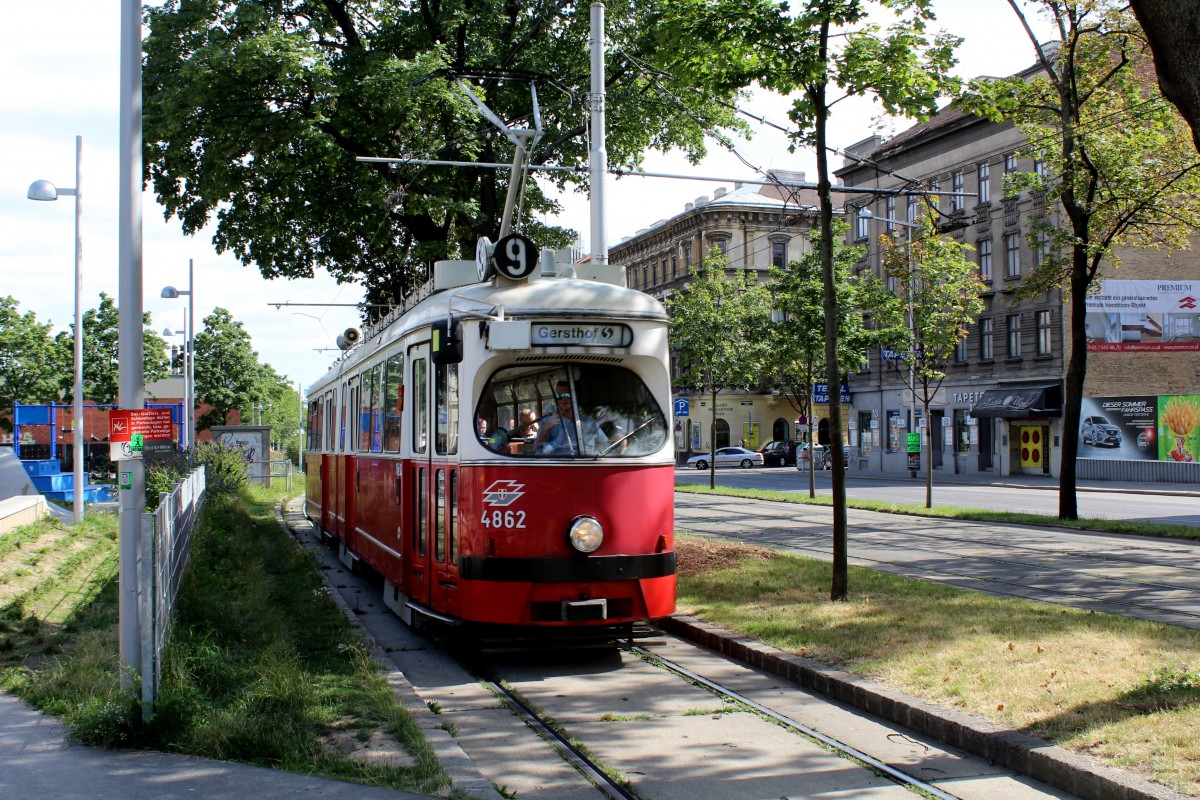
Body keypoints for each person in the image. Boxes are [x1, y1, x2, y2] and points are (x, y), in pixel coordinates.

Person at [536, 381, 603, 455]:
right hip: (559, 464)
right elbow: (537, 450)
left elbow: (604, 445)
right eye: (559, 396)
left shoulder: (590, 422)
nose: (563, 399)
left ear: (575, 396)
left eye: (567, 395)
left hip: (588, 463)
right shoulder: (546, 421)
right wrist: (546, 429)